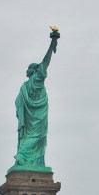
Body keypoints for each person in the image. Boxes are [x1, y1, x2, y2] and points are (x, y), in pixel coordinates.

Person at [12, 28, 59, 170]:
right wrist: (53, 42)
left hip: (30, 118)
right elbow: (46, 61)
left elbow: (46, 61)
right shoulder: (34, 82)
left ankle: (27, 160)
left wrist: (53, 42)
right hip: (37, 117)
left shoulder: (29, 84)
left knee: (31, 137)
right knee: (37, 136)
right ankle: (21, 156)